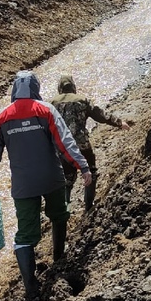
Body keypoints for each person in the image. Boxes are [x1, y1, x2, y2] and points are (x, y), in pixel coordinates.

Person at [0, 70, 92, 301]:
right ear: (36, 88)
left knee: (25, 234)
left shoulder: (2, 118)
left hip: (23, 185)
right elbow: (65, 142)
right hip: (51, 178)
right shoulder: (45, 110)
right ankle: (58, 258)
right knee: (59, 214)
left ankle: (31, 289)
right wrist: (82, 166)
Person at [51, 74, 132, 210]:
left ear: (59, 88)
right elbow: (100, 115)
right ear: (73, 87)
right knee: (91, 172)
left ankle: (64, 208)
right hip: (82, 145)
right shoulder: (82, 100)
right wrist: (119, 123)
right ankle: (88, 205)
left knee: (67, 178)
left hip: (62, 148)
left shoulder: (51, 104)